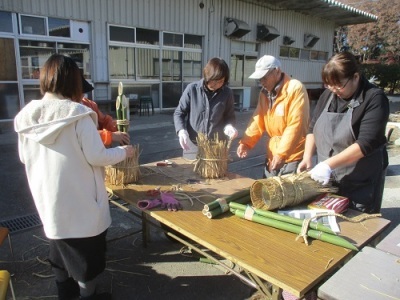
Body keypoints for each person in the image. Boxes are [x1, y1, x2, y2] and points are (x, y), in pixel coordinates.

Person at [14, 54, 135, 300]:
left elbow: (24, 158)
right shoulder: (78, 115)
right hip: (82, 206)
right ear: (73, 82)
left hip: (50, 204)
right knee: (85, 261)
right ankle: (88, 296)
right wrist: (123, 151)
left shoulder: (28, 119)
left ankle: (65, 295)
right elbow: (97, 156)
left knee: (60, 256)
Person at [297, 52, 390, 214]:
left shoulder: (374, 98)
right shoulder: (328, 95)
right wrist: (307, 158)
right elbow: (312, 129)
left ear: (355, 77)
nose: (334, 90)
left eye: (338, 85)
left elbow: (365, 144)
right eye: (329, 85)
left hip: (360, 183)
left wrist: (327, 165)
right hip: (329, 181)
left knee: (357, 227)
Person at [237, 55, 310, 178]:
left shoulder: (295, 88)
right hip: (272, 154)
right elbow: (258, 119)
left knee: (288, 195)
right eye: (259, 79)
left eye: (264, 77)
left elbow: (296, 125)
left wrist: (282, 154)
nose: (262, 82)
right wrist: (245, 142)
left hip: (293, 156)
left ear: (277, 71)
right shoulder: (264, 93)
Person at [173, 57, 238, 155]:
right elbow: (179, 113)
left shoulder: (227, 93)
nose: (216, 84)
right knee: (189, 170)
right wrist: (181, 131)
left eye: (221, 81)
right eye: (214, 80)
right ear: (207, 75)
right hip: (193, 145)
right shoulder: (192, 89)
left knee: (216, 171)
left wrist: (229, 127)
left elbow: (230, 116)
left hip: (216, 147)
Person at [80, 78, 130, 146]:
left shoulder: (90, 105)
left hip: (96, 153)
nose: (83, 94)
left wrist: (117, 125)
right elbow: (84, 134)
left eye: (83, 91)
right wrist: (111, 136)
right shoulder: (68, 111)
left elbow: (104, 121)